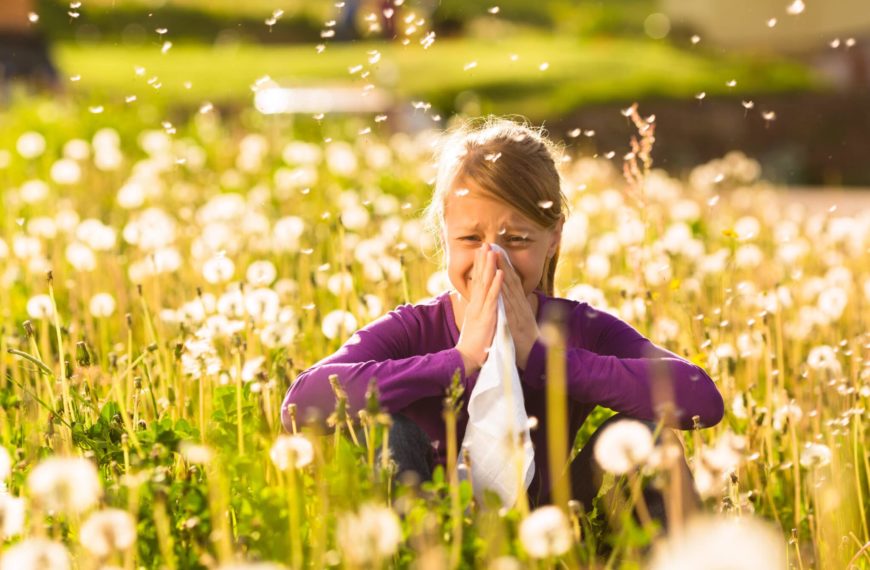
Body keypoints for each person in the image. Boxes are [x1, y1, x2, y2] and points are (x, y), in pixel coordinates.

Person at [281, 117, 724, 521]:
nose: (492, 259)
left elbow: (701, 399)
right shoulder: (415, 328)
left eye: (516, 239)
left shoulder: (578, 328)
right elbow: (300, 404)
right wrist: (460, 360)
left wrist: (545, 360)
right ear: (444, 235)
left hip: (554, 521)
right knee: (386, 431)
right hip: (429, 521)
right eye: (471, 238)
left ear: (553, 239)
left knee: (648, 436)